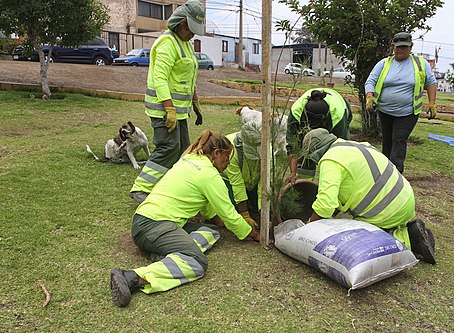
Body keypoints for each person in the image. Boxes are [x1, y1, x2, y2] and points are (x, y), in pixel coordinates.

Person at [111, 131, 260, 307]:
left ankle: (167, 254)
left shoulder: (188, 161)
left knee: (211, 232)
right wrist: (253, 233)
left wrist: (220, 222)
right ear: (216, 153)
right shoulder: (209, 174)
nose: (228, 162)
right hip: (153, 226)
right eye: (226, 156)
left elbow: (206, 205)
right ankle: (133, 277)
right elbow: (229, 214)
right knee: (197, 262)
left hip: (146, 220)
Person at [302, 128, 436, 264]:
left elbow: (325, 204)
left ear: (315, 153)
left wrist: (308, 230)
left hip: (385, 211)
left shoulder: (330, 160)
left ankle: (408, 240)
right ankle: (406, 230)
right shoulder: (355, 145)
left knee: (351, 243)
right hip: (405, 199)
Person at [129, 0, 205, 204]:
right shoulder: (167, 43)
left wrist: (195, 100)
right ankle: (141, 188)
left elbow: (186, 75)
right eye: (190, 29)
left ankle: (172, 188)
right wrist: (169, 109)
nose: (193, 34)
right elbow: (159, 78)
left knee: (183, 149)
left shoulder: (185, 44)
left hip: (180, 111)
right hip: (164, 109)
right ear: (180, 23)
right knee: (167, 148)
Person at [365, 32, 438, 174]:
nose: (400, 50)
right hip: (385, 111)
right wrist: (369, 96)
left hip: (407, 113)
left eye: (404, 47)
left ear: (411, 47)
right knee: (387, 141)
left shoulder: (420, 64)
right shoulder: (384, 63)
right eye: (398, 47)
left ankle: (396, 175)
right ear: (393, 47)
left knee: (399, 141)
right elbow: (371, 81)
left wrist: (432, 103)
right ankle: (383, 173)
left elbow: (431, 82)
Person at [286, 88, 352, 183]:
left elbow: (340, 149)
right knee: (307, 150)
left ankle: (330, 182)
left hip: (341, 107)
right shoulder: (296, 113)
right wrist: (293, 173)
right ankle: (305, 184)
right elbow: (292, 146)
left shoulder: (338, 117)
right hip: (307, 115)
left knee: (333, 153)